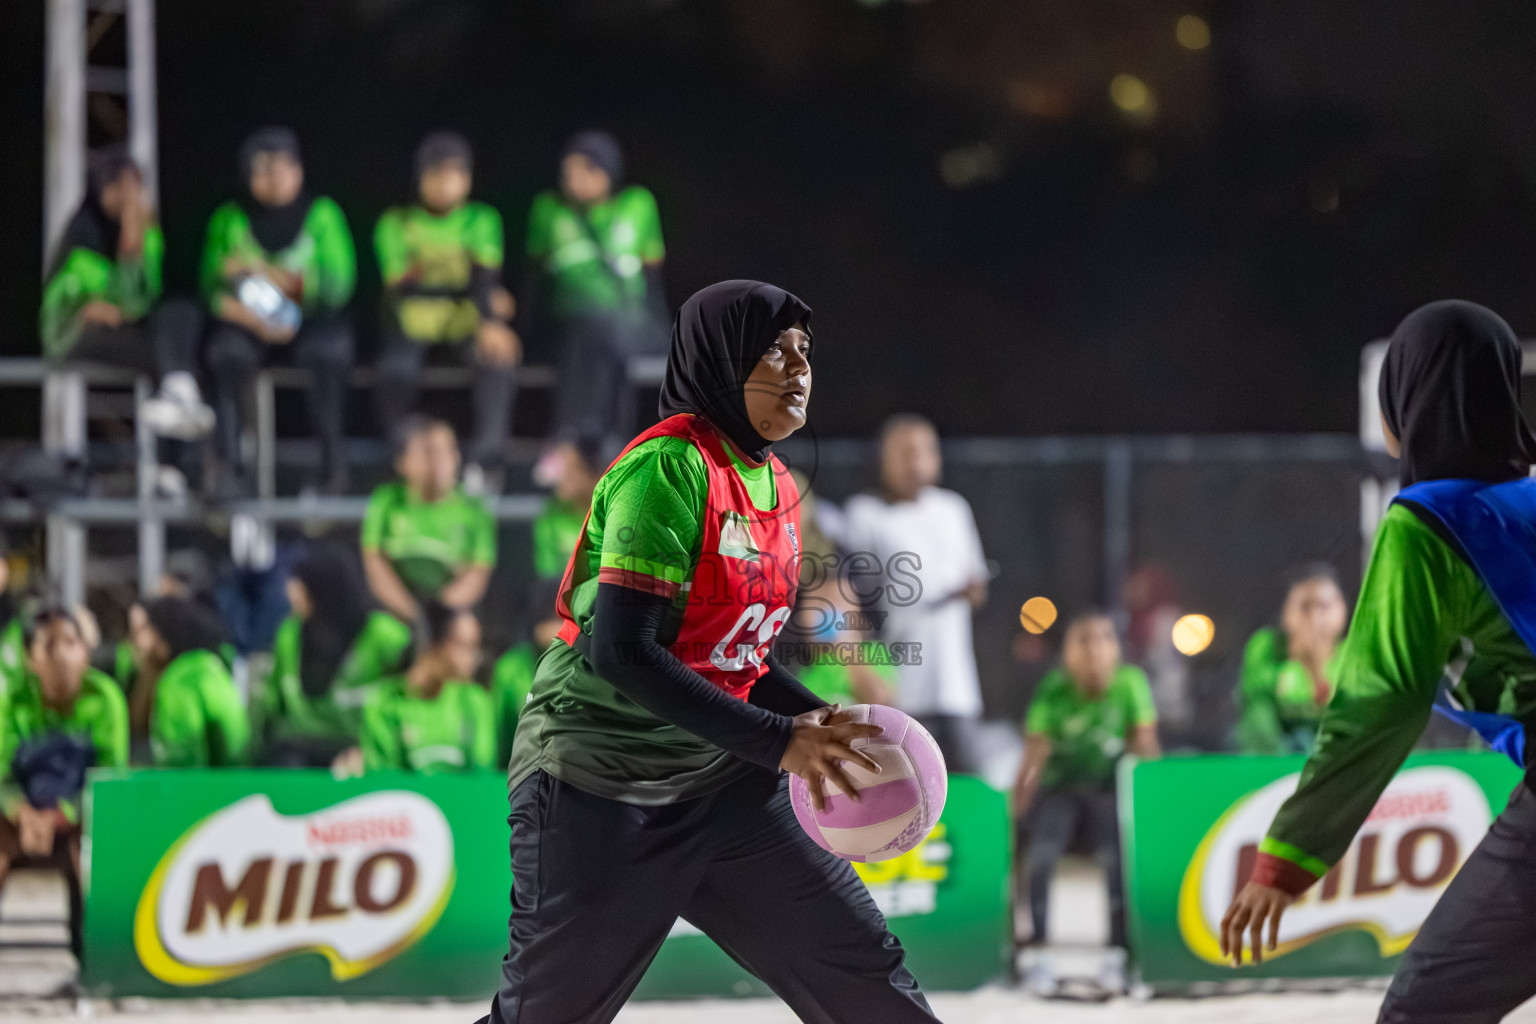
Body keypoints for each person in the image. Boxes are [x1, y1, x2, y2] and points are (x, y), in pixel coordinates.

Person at [479, 281, 938, 1024]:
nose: (797, 368)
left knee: (862, 975)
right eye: (772, 350)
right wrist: (782, 739)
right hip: (604, 781)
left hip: (724, 782)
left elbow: (737, 660)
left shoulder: (779, 487)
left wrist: (819, 720)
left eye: (804, 352)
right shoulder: (667, 470)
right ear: (719, 361)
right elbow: (621, 652)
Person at [1220, 301, 1536, 1023]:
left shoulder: (1428, 523)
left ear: (1405, 402)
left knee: (1423, 1011)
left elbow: (1380, 703)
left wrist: (1289, 856)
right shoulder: (1530, 499)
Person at [40, 147, 213, 485]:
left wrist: (136, 241)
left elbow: (146, 295)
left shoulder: (144, 230)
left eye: (136, 188)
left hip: (120, 328)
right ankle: (175, 458)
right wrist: (130, 243)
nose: (130, 198)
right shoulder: (84, 233)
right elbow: (111, 301)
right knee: (167, 357)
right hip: (72, 333)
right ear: (105, 190)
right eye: (122, 188)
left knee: (180, 318)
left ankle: (175, 445)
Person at [202, 127, 356, 496]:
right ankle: (229, 468)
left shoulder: (321, 214)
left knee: (329, 352)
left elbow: (339, 285)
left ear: (299, 170)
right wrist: (255, 319)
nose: (274, 178)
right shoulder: (230, 218)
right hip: (249, 321)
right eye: (264, 169)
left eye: (284, 167)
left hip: (311, 320)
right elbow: (211, 288)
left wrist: (271, 279)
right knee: (224, 353)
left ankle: (329, 468)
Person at [1013, 611, 1158, 987]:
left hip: (1107, 789)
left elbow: (1144, 743)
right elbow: (1034, 752)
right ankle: (1039, 949)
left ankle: (1119, 950)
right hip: (1060, 787)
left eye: (1103, 639)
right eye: (1084, 640)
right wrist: (1018, 802)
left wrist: (1151, 801)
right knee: (1042, 856)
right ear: (1067, 652)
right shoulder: (1053, 688)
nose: (1094, 649)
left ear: (1116, 649)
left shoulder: (1130, 683)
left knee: (1116, 858)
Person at [843, 413, 990, 771]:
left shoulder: (954, 509)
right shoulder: (865, 514)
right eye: (906, 452)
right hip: (898, 689)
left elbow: (979, 589)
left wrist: (971, 591)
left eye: (926, 450)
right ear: (884, 460)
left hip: (957, 688)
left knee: (967, 791)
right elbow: (848, 597)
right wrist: (860, 668)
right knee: (904, 791)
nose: (918, 461)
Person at [374, 132, 519, 492]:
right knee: (394, 372)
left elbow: (485, 277)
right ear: (420, 178)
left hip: (464, 322)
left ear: (467, 179)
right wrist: (463, 277)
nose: (445, 184)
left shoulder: (481, 219)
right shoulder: (396, 223)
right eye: (436, 174)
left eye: (454, 174)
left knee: (498, 358)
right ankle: (401, 461)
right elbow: (402, 282)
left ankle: (486, 464)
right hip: (412, 323)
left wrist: (490, 320)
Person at [527, 131, 667, 459]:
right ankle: (602, 439)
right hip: (567, 323)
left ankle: (573, 435)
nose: (572, 180)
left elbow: (653, 273)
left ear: (606, 172)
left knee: (607, 331)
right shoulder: (549, 208)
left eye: (584, 171)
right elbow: (536, 276)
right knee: (592, 330)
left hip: (628, 324)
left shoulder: (638, 203)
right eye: (568, 172)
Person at [0, 608, 128, 959]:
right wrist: (21, 812)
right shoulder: (10, 700)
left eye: (70, 643)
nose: (60, 656)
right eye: (48, 646)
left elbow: (109, 777)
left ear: (85, 652)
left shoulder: (105, 698)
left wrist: (64, 815)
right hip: (23, 813)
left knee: (88, 853)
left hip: (79, 813)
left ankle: (93, 958)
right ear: (29, 659)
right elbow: (2, 775)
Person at [491, 436, 603, 765]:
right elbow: (548, 582)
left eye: (568, 472)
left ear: (591, 474)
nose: (559, 481)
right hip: (561, 607)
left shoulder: (618, 514)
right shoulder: (550, 517)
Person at [250, 546, 412, 767]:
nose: (291, 593)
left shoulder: (382, 634)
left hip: (360, 746)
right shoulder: (289, 634)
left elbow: (410, 689)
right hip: (298, 748)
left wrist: (383, 746)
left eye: (300, 586)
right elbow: (272, 700)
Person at [361, 416, 496, 621]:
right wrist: (414, 614)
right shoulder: (387, 499)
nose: (439, 461)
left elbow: (478, 573)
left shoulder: (474, 507)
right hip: (396, 613)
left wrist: (438, 617)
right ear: (402, 461)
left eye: (448, 450)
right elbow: (374, 562)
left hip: (451, 616)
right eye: (430, 451)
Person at [355, 603, 493, 774]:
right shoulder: (383, 703)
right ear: (432, 644)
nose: (472, 659)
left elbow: (483, 776)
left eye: (475, 648)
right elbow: (383, 780)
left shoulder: (474, 701)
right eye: (464, 646)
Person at [1234, 564, 1348, 755]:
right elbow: (1257, 724)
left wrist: (1317, 669)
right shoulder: (1267, 648)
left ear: (1343, 608)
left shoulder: (1355, 653)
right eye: (1305, 607)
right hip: (1279, 759)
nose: (1315, 617)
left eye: (1324, 606)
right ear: (1285, 612)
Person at [128, 597, 248, 767]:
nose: (137, 642)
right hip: (235, 786)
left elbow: (181, 762)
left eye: (145, 629)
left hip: (207, 790)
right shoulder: (209, 667)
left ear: (163, 638)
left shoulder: (180, 681)